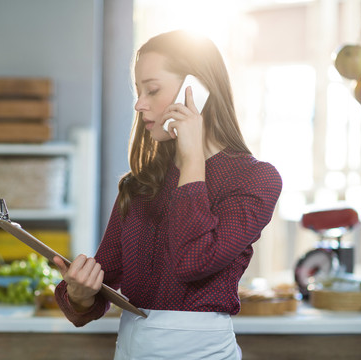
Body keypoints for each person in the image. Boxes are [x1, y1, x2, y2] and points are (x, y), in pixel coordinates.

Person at [53, 30, 282, 359]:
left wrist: (191, 160)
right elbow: (101, 285)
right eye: (137, 90)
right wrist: (79, 293)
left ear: (197, 89)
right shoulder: (139, 185)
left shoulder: (255, 179)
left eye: (152, 89)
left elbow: (193, 261)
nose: (139, 104)